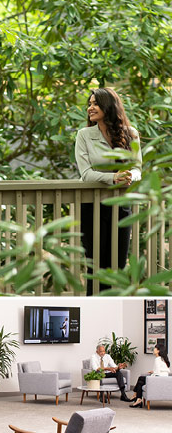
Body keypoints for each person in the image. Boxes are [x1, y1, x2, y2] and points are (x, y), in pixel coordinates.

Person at [75, 88, 141, 293]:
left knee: (117, 266)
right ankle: (92, 314)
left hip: (121, 205)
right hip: (92, 206)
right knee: (95, 266)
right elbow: (86, 173)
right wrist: (114, 178)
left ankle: (113, 316)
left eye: (95, 103)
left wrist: (131, 176)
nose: (90, 108)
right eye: (89, 103)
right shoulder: (84, 135)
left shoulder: (131, 134)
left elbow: (138, 168)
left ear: (109, 106)